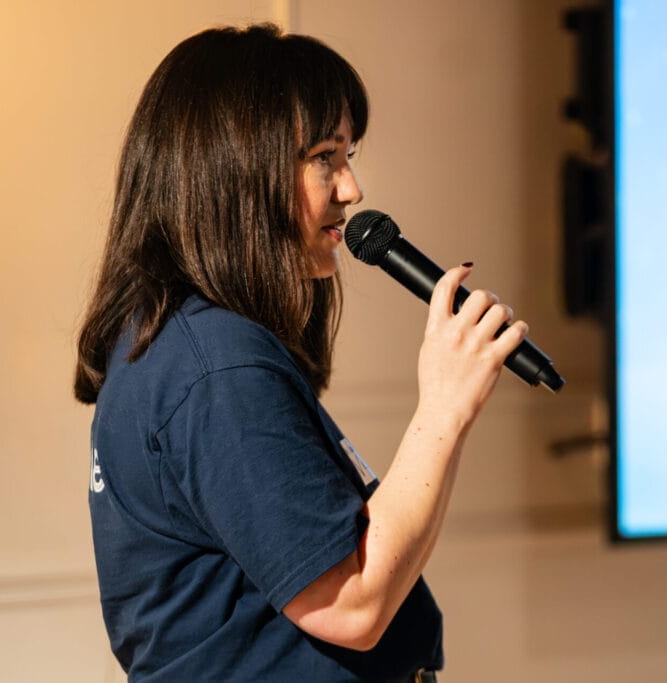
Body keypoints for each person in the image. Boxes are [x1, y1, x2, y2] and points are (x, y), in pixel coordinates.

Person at [74, 23, 527, 682]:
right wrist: (445, 406)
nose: (352, 190)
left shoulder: (178, 339)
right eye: (325, 157)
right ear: (237, 168)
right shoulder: (214, 367)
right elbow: (353, 604)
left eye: (349, 155)